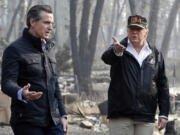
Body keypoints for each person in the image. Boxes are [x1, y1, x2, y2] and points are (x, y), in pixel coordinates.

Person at [1, 5, 68, 135]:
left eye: (52, 24)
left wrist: (63, 115)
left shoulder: (49, 49)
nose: (50, 27)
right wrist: (21, 92)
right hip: (27, 122)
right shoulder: (14, 50)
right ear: (32, 22)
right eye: (46, 22)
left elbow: (55, 85)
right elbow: (7, 83)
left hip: (53, 122)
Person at [101, 15, 170, 135]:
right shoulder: (119, 47)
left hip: (146, 115)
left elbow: (162, 85)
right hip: (121, 115)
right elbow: (106, 58)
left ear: (146, 33)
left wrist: (164, 113)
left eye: (138, 30)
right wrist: (116, 52)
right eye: (131, 29)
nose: (134, 32)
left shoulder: (155, 54)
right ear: (127, 31)